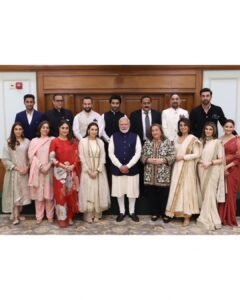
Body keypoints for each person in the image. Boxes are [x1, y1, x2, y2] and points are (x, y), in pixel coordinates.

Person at [165, 118, 201, 226]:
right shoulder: (177, 138)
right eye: (181, 125)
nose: (183, 127)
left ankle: (187, 216)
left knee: (186, 190)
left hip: (187, 167)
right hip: (176, 167)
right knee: (176, 189)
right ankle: (175, 212)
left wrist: (184, 157)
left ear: (188, 127)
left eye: (185, 125)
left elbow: (197, 154)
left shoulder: (193, 138)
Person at [108, 117, 142, 222]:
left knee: (132, 191)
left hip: (132, 169)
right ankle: (121, 212)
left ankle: (132, 212)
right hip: (117, 169)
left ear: (129, 124)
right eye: (121, 124)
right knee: (120, 191)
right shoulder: (113, 136)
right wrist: (120, 166)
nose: (123, 126)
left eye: (125, 124)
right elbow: (111, 153)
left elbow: (138, 153)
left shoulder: (136, 136)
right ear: (119, 125)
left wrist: (128, 166)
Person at [141, 124, 175, 222]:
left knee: (163, 195)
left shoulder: (167, 142)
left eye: (157, 130)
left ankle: (164, 213)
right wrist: (148, 159)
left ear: (161, 131)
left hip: (163, 175)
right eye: (153, 131)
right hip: (149, 174)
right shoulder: (147, 142)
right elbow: (142, 155)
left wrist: (163, 160)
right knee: (152, 195)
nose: (155, 132)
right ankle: (155, 213)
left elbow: (173, 155)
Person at [49, 120, 80, 227]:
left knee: (71, 195)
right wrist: (63, 166)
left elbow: (77, 156)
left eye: (67, 128)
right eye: (63, 128)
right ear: (59, 128)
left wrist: (72, 166)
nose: (65, 130)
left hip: (71, 172)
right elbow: (51, 158)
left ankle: (70, 217)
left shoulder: (73, 141)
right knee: (60, 196)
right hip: (59, 174)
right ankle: (62, 218)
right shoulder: (54, 141)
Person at [78, 122, 110, 223]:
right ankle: (88, 214)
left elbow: (103, 157)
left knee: (98, 191)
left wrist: (97, 170)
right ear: (88, 130)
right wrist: (89, 171)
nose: (94, 131)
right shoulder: (82, 142)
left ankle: (97, 214)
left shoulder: (100, 142)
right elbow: (81, 157)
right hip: (87, 171)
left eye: (96, 130)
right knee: (88, 192)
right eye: (92, 129)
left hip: (98, 171)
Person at [197, 122, 225, 231]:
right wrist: (200, 162)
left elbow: (221, 159)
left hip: (212, 170)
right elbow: (198, 156)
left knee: (210, 194)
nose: (208, 131)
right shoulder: (200, 141)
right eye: (206, 129)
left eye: (210, 129)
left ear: (214, 131)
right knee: (204, 194)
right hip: (201, 169)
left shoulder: (217, 142)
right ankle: (207, 216)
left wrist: (210, 163)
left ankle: (209, 219)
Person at [1, 122, 31, 225]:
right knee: (15, 194)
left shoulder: (27, 141)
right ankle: (15, 216)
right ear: (13, 130)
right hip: (14, 173)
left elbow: (30, 157)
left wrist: (27, 167)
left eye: (20, 129)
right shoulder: (9, 142)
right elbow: (5, 159)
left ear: (23, 130)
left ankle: (19, 213)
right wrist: (16, 168)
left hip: (24, 172)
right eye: (16, 129)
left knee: (22, 193)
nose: (18, 131)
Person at [28, 121, 54, 224]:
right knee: (39, 195)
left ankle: (50, 216)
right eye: (43, 127)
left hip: (49, 169)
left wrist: (48, 166)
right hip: (37, 170)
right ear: (40, 128)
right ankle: (39, 216)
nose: (45, 129)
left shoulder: (52, 140)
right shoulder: (34, 141)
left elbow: (54, 155)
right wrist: (40, 166)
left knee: (49, 194)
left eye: (47, 128)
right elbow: (31, 156)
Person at [218, 119, 240, 226]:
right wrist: (222, 168)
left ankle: (229, 218)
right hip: (220, 169)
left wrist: (227, 167)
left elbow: (238, 157)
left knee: (230, 193)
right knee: (221, 192)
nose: (228, 129)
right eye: (226, 126)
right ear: (223, 127)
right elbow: (217, 155)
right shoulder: (219, 139)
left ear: (234, 128)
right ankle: (220, 217)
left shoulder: (237, 139)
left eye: (230, 127)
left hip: (233, 169)